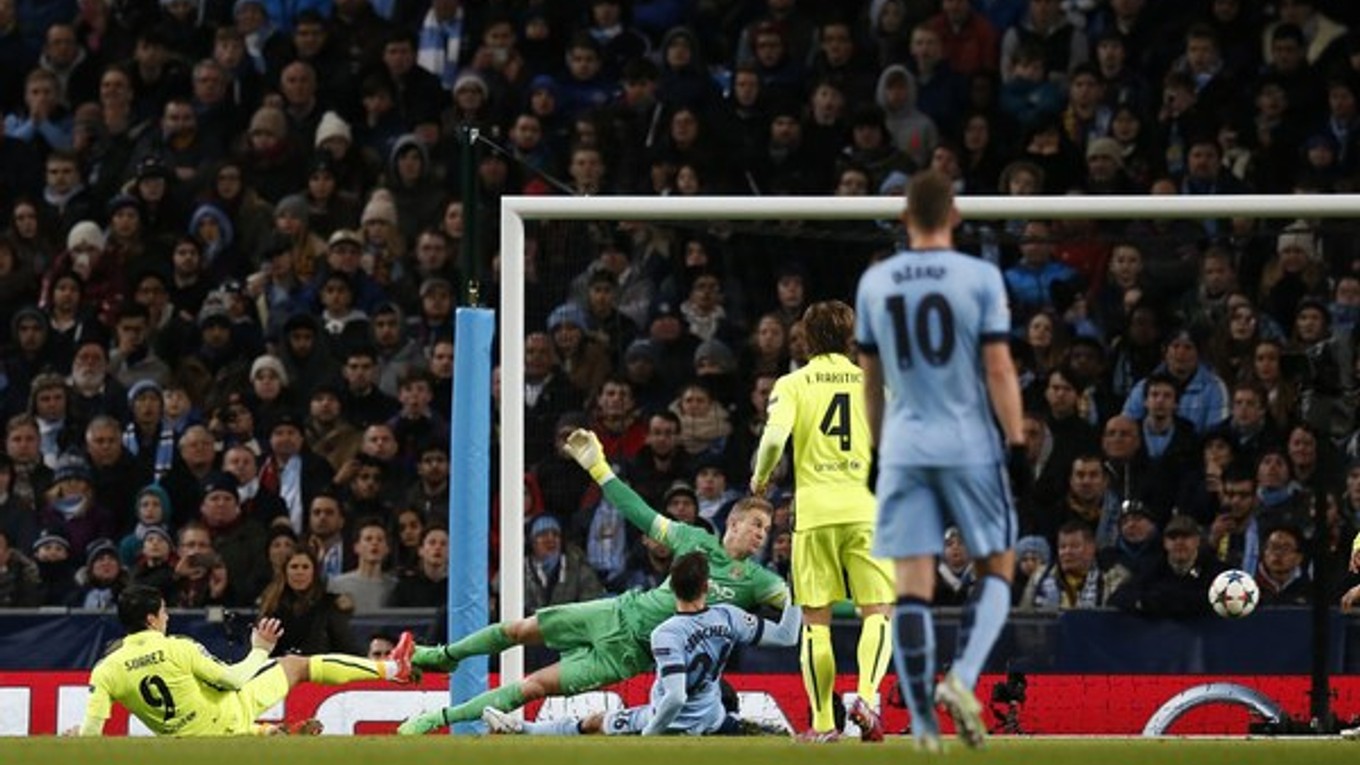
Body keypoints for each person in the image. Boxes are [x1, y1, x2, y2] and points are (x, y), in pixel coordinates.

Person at [397, 429, 788, 735]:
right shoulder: (693, 538)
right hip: (616, 611)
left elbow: (803, 607)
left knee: (533, 687)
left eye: (766, 529)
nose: (761, 535)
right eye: (756, 524)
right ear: (733, 521)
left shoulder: (758, 580)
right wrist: (598, 467)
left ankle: (438, 718)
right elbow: (637, 511)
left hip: (628, 655)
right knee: (518, 629)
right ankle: (443, 656)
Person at [853, 170, 1027, 752]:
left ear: (904, 218)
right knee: (998, 566)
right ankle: (963, 677)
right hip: (969, 443)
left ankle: (924, 726)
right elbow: (999, 367)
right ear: (955, 215)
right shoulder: (979, 277)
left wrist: (878, 450)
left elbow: (871, 382)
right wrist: (1017, 440)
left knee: (910, 588)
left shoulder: (876, 282)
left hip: (904, 446)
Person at [748, 299, 895, 742]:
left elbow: (774, 438)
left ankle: (825, 724)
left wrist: (761, 477)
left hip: (814, 514)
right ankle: (866, 698)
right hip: (866, 510)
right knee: (878, 611)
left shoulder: (792, 383)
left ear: (807, 339)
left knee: (816, 622)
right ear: (851, 338)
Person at [481, 550, 799, 737]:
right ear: (707, 586)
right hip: (712, 717)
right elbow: (787, 636)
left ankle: (523, 729)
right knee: (752, 726)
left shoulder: (667, 633)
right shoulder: (729, 616)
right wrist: (797, 590)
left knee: (592, 723)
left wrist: (649, 736)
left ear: (671, 587)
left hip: (668, 722)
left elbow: (674, 697)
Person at [76, 585, 417, 737]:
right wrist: (260, 649)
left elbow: (92, 733)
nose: (167, 617)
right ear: (152, 619)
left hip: (186, 744)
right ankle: (393, 667)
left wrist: (76, 737)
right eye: (163, 611)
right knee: (295, 666)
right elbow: (233, 680)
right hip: (228, 716)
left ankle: (271, 733)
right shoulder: (178, 647)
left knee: (213, 713)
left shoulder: (106, 670)